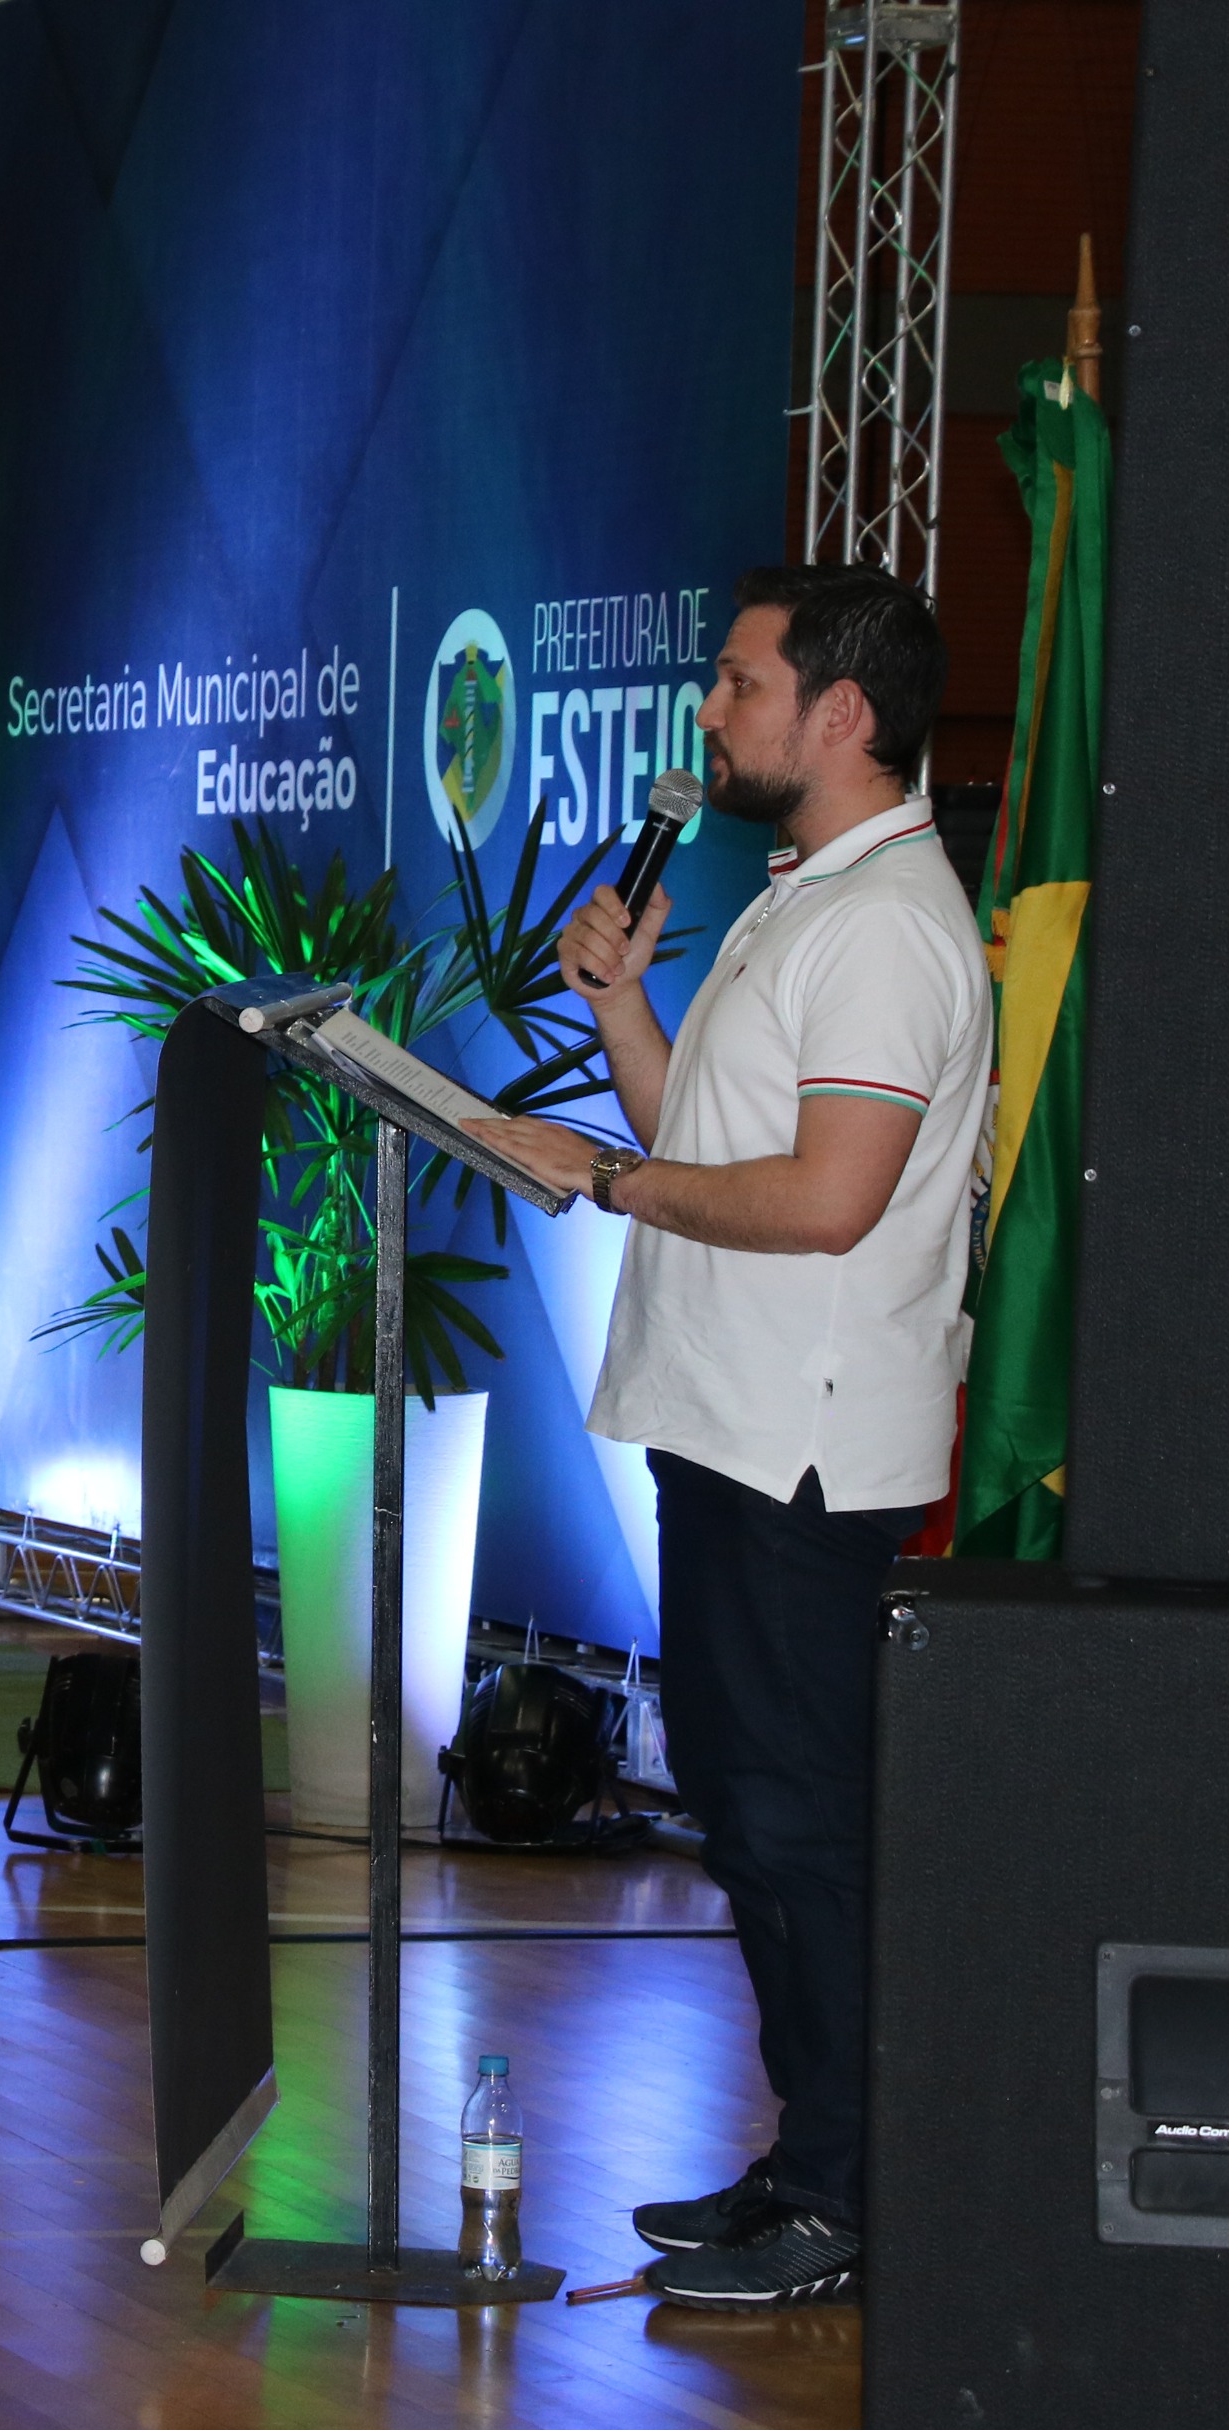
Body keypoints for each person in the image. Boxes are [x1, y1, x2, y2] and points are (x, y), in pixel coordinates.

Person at [475, 564, 989, 2307]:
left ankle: (851, 2185)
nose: (710, 711)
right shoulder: (805, 895)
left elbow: (830, 1199)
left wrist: (605, 1176)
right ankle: (814, 2153)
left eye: (740, 684)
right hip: (731, 1426)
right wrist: (625, 1011)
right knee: (753, 1813)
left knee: (798, 1820)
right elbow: (714, 1143)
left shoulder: (886, 924)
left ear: (842, 714)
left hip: (802, 1450)